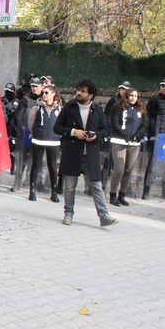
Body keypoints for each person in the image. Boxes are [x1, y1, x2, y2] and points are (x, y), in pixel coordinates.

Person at [53, 80, 118, 227]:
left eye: (83, 91)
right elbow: (57, 128)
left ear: (91, 95)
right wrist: (73, 132)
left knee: (96, 185)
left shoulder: (97, 109)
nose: (78, 93)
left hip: (90, 154)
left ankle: (104, 216)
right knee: (69, 186)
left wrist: (95, 135)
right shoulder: (69, 107)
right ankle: (68, 212)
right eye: (78, 90)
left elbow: (105, 129)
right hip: (72, 153)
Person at [108, 87, 148, 206]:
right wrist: (124, 134)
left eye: (135, 96)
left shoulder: (140, 109)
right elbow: (114, 122)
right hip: (119, 141)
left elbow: (144, 124)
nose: (133, 98)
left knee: (128, 170)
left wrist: (137, 136)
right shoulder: (117, 107)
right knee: (119, 169)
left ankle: (122, 194)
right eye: (131, 95)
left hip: (134, 143)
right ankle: (112, 194)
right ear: (126, 96)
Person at [27, 85, 62, 202]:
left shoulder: (60, 108)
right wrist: (36, 133)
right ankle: (32, 191)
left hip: (53, 141)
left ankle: (54, 192)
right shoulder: (37, 108)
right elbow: (30, 123)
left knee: (52, 167)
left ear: (53, 94)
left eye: (46, 93)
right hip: (39, 139)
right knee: (36, 165)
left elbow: (62, 123)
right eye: (43, 93)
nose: (44, 95)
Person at [142, 78, 165, 200]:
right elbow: (149, 118)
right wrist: (153, 134)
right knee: (152, 165)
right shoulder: (154, 100)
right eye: (162, 86)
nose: (164, 88)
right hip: (157, 136)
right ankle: (146, 191)